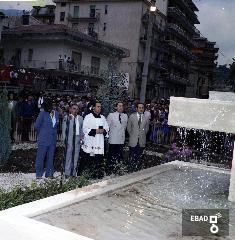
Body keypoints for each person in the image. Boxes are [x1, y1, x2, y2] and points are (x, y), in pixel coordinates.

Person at [82, 101, 109, 178]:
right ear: (93, 107)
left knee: (98, 159)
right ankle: (89, 175)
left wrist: (103, 130)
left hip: (99, 141)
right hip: (91, 141)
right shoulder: (88, 117)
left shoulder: (103, 117)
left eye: (100, 107)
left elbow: (107, 128)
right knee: (90, 159)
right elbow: (85, 129)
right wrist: (95, 131)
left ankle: (98, 175)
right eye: (98, 106)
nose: (100, 108)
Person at [34, 99, 59, 178]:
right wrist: (42, 133)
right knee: (40, 157)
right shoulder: (42, 114)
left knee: (51, 157)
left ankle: (49, 174)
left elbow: (55, 126)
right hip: (43, 139)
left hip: (53, 140)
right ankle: (39, 174)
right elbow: (36, 126)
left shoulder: (57, 114)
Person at [62, 104, 83, 177]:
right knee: (68, 157)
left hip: (77, 139)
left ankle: (73, 173)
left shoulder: (80, 118)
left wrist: (81, 137)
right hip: (69, 139)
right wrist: (65, 141)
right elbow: (64, 130)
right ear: (70, 109)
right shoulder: (67, 117)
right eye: (74, 109)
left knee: (76, 157)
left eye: (77, 109)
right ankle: (67, 173)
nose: (75, 110)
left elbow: (81, 129)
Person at [106, 101, 128, 174]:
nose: (121, 107)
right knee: (111, 156)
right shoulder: (111, 115)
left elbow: (125, 128)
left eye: (122, 106)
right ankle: (109, 171)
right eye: (119, 106)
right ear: (116, 107)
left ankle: (117, 170)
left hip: (121, 139)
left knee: (119, 156)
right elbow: (107, 127)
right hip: (113, 139)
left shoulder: (125, 116)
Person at [127, 103, 149, 172]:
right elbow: (128, 128)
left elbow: (146, 129)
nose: (141, 109)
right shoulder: (132, 116)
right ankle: (130, 171)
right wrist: (134, 135)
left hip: (141, 141)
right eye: (139, 107)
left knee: (139, 158)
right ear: (137, 108)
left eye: (142, 107)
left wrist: (141, 135)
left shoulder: (146, 118)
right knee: (131, 157)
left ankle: (137, 171)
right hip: (133, 141)